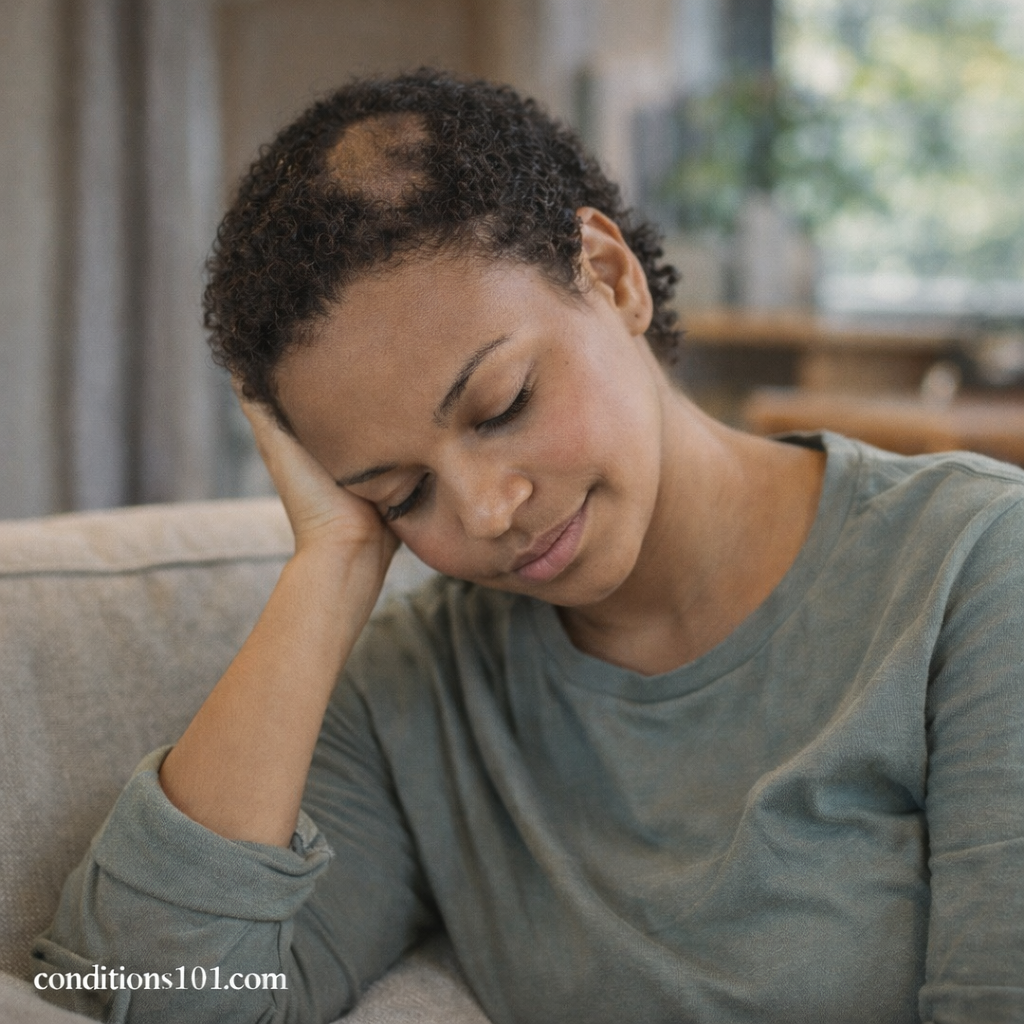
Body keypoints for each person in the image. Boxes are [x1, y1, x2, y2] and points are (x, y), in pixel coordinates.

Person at [34, 69, 1023, 1024]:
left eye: (502, 405)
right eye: (401, 492)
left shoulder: (970, 567)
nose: (483, 512)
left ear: (608, 274)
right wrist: (329, 564)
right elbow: (149, 997)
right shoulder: (415, 696)